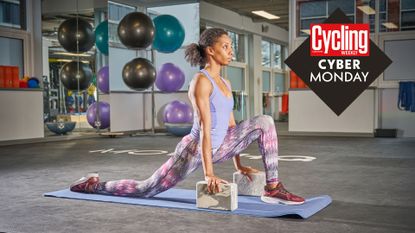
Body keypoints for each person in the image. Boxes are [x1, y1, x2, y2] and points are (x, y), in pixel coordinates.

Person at [70, 28, 305, 205]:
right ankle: (93, 185)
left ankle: (273, 187)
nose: (231, 50)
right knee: (146, 188)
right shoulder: (201, 81)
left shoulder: (225, 82)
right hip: (194, 149)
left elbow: (232, 125)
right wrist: (209, 173)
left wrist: (240, 164)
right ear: (210, 51)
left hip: (221, 145)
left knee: (265, 121)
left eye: (230, 45)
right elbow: (205, 128)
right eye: (225, 46)